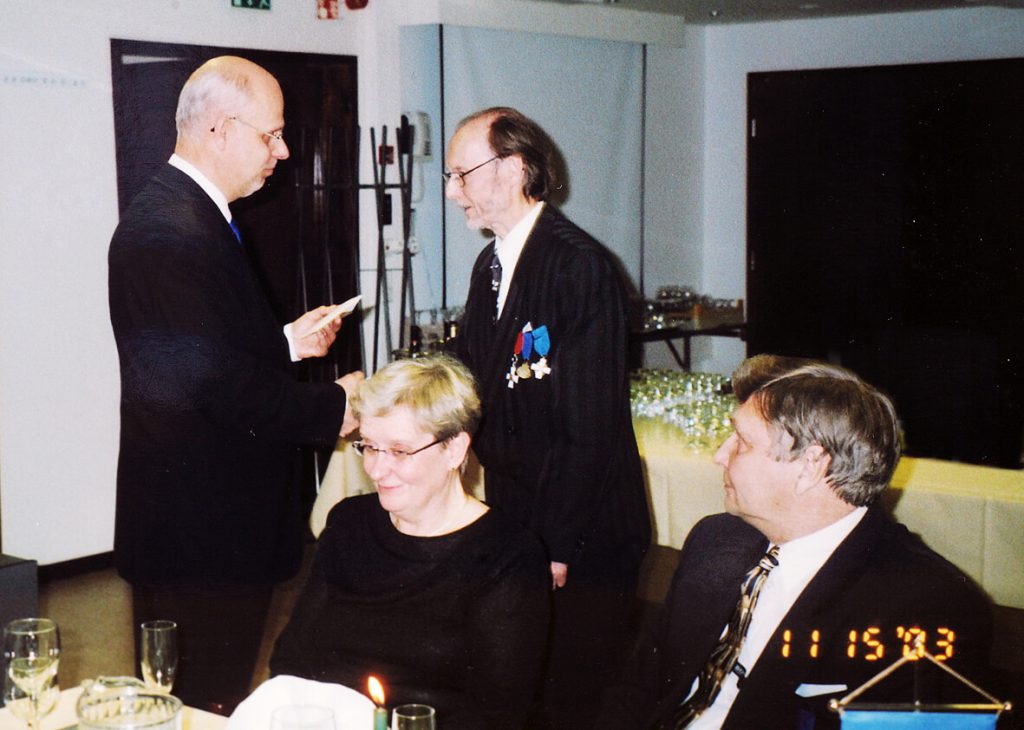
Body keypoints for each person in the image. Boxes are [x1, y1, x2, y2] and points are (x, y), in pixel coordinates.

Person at [108, 55, 362, 712]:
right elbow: (216, 388)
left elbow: (203, 354)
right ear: (220, 129)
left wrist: (286, 342)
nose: (283, 151)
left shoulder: (189, 213)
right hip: (200, 535)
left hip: (203, 524)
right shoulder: (171, 230)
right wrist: (336, 406)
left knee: (198, 700)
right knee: (198, 705)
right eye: (271, 134)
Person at [598, 355, 994, 729]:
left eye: (741, 441)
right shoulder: (716, 539)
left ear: (810, 466)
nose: (720, 456)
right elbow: (639, 687)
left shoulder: (926, 605)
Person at [444, 106, 651, 728]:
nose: (453, 193)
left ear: (512, 169)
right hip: (519, 515)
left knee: (572, 701)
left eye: (461, 175)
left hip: (584, 530)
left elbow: (588, 427)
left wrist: (556, 544)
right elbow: (469, 377)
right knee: (517, 686)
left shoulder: (577, 265)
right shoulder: (491, 265)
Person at [270, 355, 550, 729]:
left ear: (454, 449)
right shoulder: (349, 523)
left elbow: (496, 715)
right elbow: (291, 660)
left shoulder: (507, 555)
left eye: (400, 451)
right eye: (370, 446)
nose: (376, 469)